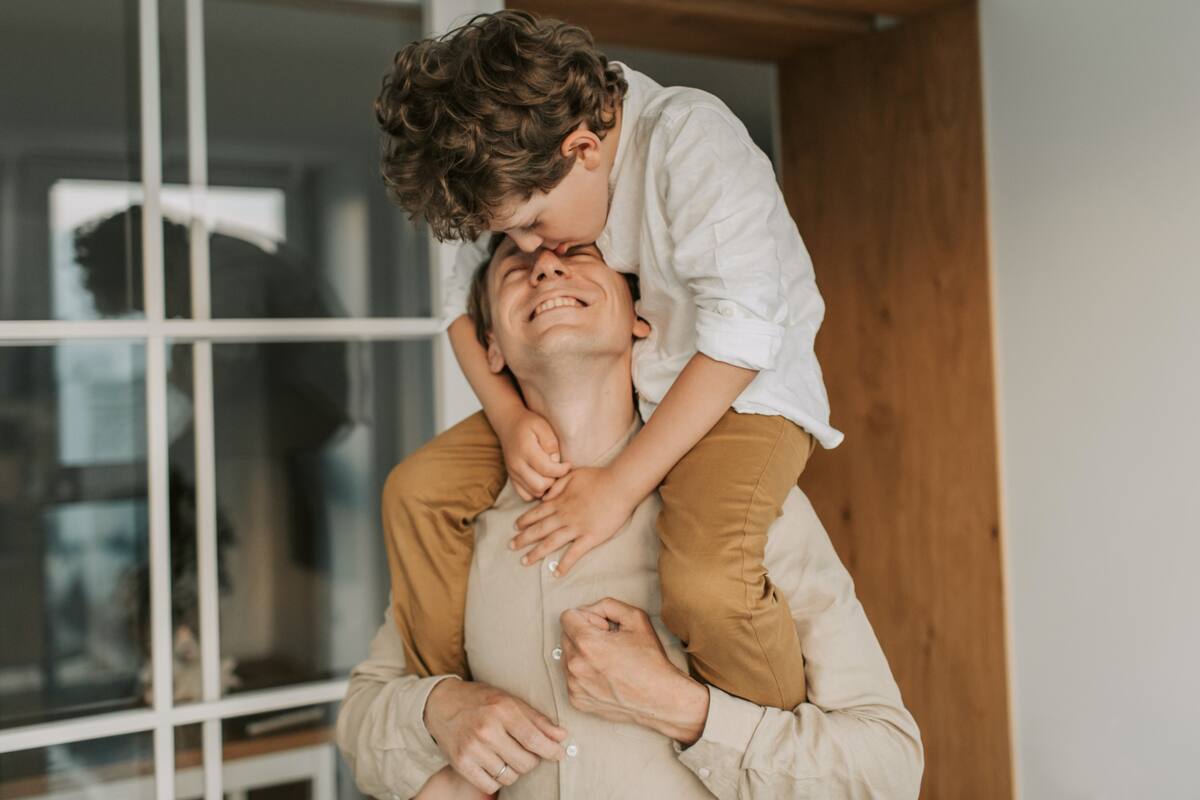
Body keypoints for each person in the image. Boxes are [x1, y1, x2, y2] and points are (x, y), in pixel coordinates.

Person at [373, 10, 842, 712]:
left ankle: (757, 746)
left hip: (743, 396)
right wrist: (506, 418)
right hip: (626, 385)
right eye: (509, 237)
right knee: (418, 492)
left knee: (709, 580)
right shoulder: (512, 166)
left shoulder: (692, 142)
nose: (528, 250)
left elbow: (745, 339)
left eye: (531, 225)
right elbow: (456, 311)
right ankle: (459, 711)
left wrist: (618, 488)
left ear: (584, 149)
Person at [336, 239, 921, 799]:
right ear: (491, 348)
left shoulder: (742, 511)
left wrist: (676, 705)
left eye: (579, 255)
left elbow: (890, 769)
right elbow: (361, 723)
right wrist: (440, 711)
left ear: (642, 318)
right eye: (514, 267)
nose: (545, 268)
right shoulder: (457, 528)